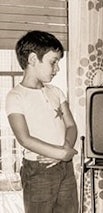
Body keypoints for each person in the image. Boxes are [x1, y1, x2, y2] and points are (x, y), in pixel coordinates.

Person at [5, 30, 79, 213]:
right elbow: (24, 139)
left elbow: (71, 125)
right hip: (38, 171)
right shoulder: (15, 96)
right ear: (32, 60)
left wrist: (65, 149)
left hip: (65, 167)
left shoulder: (56, 92)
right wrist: (60, 154)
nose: (57, 68)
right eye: (53, 62)